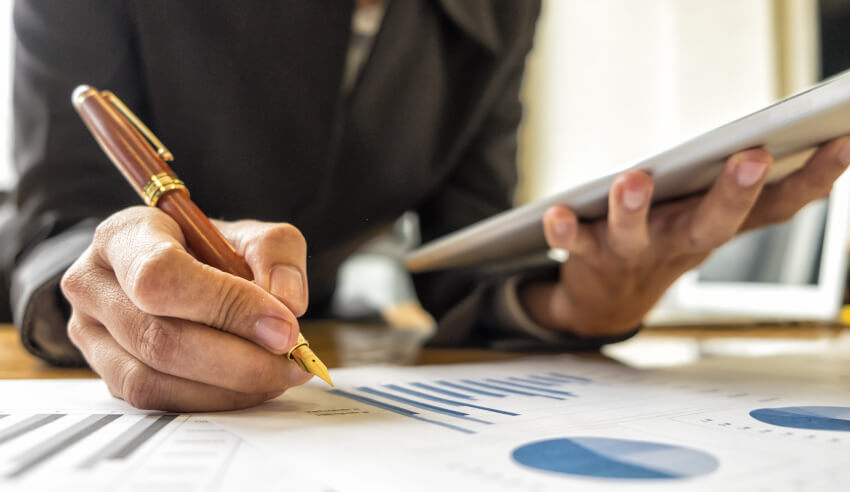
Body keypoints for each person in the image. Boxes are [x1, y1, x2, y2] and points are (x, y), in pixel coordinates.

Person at [1, 0, 848, 412]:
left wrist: (586, 300)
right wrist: (104, 279)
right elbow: (51, 219)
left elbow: (465, 250)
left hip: (295, 327)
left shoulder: (503, 8)